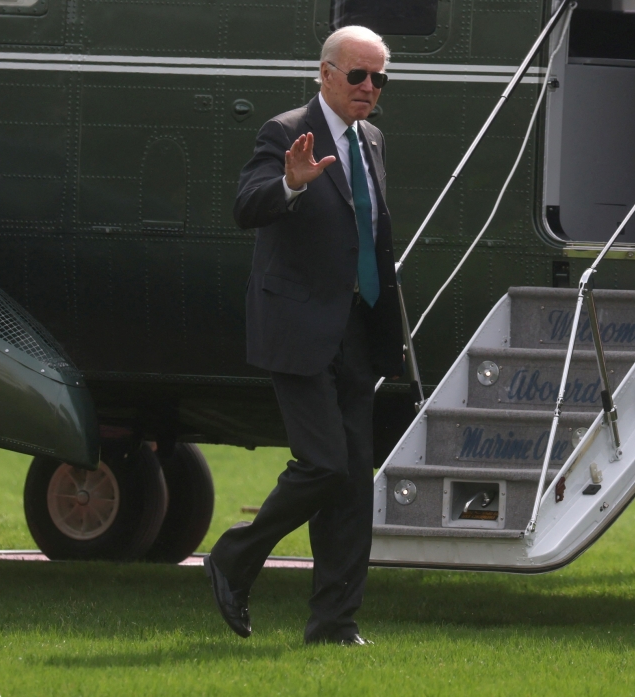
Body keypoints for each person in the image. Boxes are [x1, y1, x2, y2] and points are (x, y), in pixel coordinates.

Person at [203, 25, 403, 646]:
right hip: (297, 325)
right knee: (322, 464)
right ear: (325, 73)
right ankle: (234, 557)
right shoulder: (285, 131)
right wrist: (290, 183)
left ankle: (334, 624)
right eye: (357, 76)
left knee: (352, 482)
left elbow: (366, 235)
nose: (369, 89)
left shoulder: (371, 139)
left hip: (357, 327)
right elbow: (246, 206)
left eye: (379, 78)